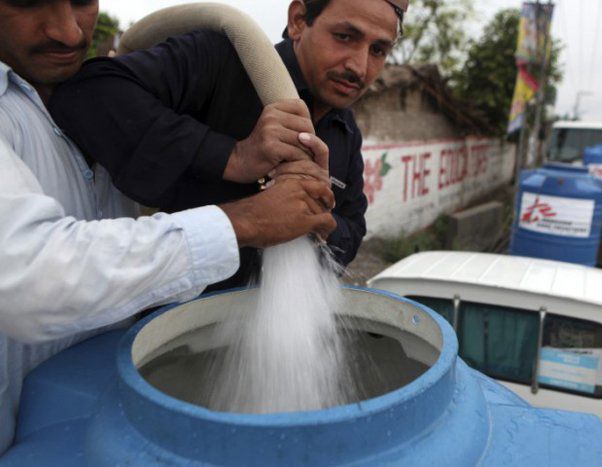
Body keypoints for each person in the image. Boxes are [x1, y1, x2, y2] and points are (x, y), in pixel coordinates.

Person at [0, 0, 335, 453]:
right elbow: (27, 275)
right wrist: (246, 218)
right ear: (298, 21)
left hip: (82, 422)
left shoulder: (74, 98)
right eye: (25, 2)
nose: (69, 33)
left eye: (82, 2)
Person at [49, 0, 409, 287]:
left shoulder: (344, 129)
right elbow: (89, 94)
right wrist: (233, 156)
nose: (359, 67)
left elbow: (353, 226)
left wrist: (322, 222)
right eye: (345, 37)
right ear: (298, 19)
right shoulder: (221, 62)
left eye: (378, 50)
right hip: (171, 329)